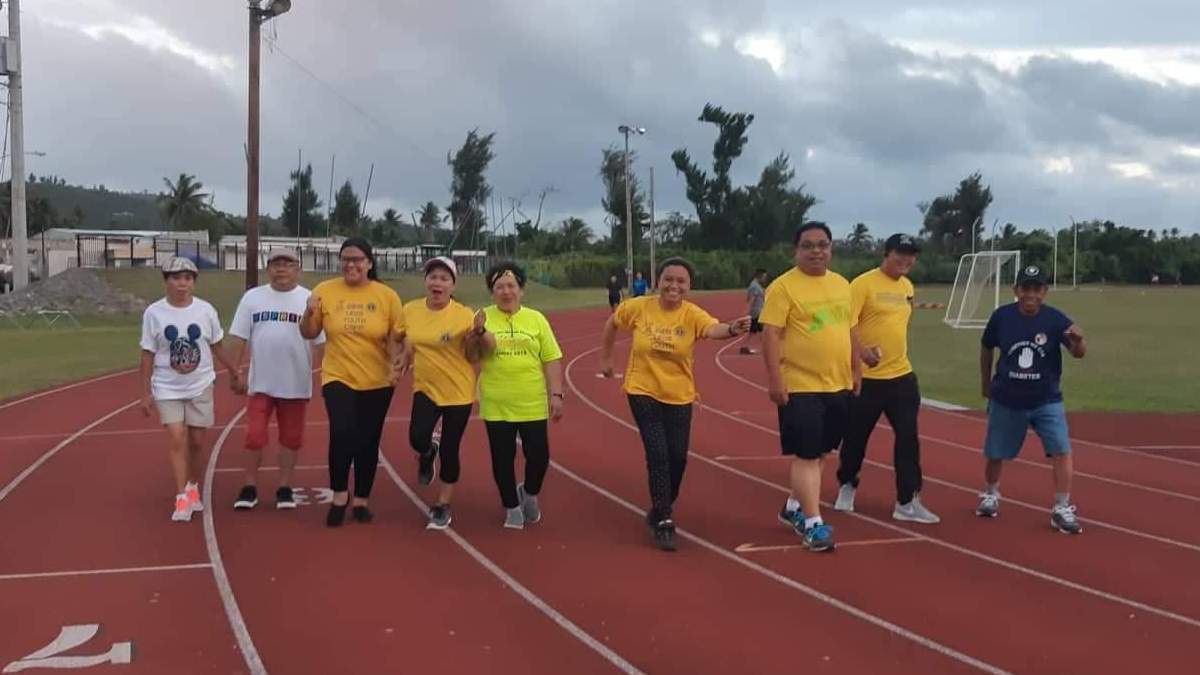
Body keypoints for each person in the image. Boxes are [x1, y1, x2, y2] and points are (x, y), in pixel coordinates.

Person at [600, 257, 750, 551]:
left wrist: (732, 329)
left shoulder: (691, 314)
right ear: (658, 281)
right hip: (642, 390)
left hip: (680, 395)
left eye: (681, 281)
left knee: (678, 457)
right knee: (657, 453)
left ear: (689, 286)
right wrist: (606, 358)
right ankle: (664, 518)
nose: (674, 286)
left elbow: (712, 329)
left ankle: (660, 506)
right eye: (669, 279)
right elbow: (613, 322)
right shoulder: (639, 307)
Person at [760, 222, 860, 552]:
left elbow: (851, 330)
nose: (816, 251)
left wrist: (856, 369)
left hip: (838, 383)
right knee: (805, 453)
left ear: (831, 248)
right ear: (796, 250)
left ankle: (793, 508)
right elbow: (771, 334)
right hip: (799, 384)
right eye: (808, 245)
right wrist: (775, 379)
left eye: (823, 244)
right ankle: (814, 523)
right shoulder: (783, 287)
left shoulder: (842, 285)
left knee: (822, 452)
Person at [300, 237, 405, 527]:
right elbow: (309, 333)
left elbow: (396, 337)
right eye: (345, 258)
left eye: (357, 259)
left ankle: (361, 499)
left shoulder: (386, 296)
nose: (351, 264)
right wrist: (309, 311)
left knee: (368, 440)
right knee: (343, 431)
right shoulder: (325, 291)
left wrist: (397, 363)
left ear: (369, 263)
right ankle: (338, 495)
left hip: (377, 380)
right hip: (338, 375)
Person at [834, 234, 939, 524]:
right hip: (866, 378)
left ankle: (907, 500)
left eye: (911, 255)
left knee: (908, 439)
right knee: (855, 438)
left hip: (901, 376)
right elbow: (846, 324)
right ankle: (847, 484)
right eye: (900, 254)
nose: (906, 260)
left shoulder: (907, 286)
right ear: (886, 253)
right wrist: (862, 353)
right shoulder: (863, 284)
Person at [977, 264, 1087, 534]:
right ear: (1016, 290)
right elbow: (986, 347)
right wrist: (985, 383)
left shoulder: (1055, 319)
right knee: (995, 452)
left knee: (1061, 449)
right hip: (1007, 397)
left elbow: (1078, 352)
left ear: (1044, 292)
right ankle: (991, 493)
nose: (1031, 294)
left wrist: (1079, 340)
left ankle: (1062, 507)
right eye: (1025, 288)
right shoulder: (1002, 317)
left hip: (1046, 399)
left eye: (1037, 289)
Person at [139, 256, 241, 522]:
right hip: (166, 386)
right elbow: (147, 354)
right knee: (175, 437)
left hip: (200, 384)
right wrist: (145, 392)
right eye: (175, 278)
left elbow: (217, 346)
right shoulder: (154, 313)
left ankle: (193, 486)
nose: (182, 284)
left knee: (196, 442)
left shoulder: (206, 311)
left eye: (187, 278)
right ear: (166, 282)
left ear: (194, 282)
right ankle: (181, 497)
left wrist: (233, 370)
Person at [226, 248, 325, 511]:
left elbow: (321, 343)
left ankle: (284, 487)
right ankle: (249, 486)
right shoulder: (253, 298)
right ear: (267, 268)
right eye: (275, 264)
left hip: (295, 383)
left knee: (291, 439)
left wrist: (329, 378)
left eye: (287, 263)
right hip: (260, 384)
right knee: (254, 436)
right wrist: (235, 372)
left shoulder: (310, 299)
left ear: (298, 268)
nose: (281, 269)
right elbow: (239, 337)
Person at [470, 262, 564, 529]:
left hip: (531, 401)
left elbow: (551, 358)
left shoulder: (536, 319)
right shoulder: (482, 317)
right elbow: (472, 356)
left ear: (521, 290)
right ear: (492, 292)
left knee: (539, 456)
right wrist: (477, 333)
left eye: (511, 286)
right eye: (499, 287)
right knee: (502, 457)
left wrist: (556, 394)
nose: (506, 291)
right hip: (497, 400)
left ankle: (530, 493)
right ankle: (511, 505)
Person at [397, 257, 479, 529]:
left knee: (451, 448)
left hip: (458, 391)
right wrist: (402, 357)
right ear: (425, 281)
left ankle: (443, 503)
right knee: (417, 437)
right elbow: (403, 338)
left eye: (444, 278)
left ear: (453, 285)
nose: (437, 283)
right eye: (433, 277)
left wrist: (478, 335)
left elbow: (475, 354)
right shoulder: (410, 310)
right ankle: (426, 453)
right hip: (426, 387)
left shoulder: (465, 315)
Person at [739, 268, 768, 355]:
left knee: (756, 331)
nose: (765, 279)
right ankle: (766, 348)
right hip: (756, 313)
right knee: (759, 331)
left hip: (758, 312)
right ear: (759, 276)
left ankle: (745, 346)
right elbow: (751, 300)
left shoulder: (756, 285)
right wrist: (747, 312)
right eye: (764, 276)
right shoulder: (754, 286)